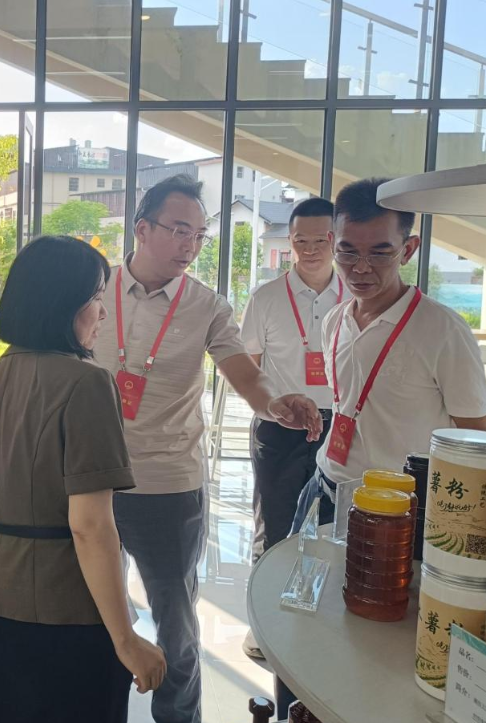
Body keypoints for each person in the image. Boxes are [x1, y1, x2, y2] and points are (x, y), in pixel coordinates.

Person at [93, 175, 322, 723]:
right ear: (141, 229)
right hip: (90, 480)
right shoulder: (94, 291)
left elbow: (245, 374)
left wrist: (274, 403)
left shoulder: (207, 306)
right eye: (179, 231)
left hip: (168, 485)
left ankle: (179, 717)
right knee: (93, 613)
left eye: (199, 235)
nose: (190, 246)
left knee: (175, 621)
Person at [0, 236, 167, 723]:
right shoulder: (87, 383)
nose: (102, 313)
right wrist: (125, 639)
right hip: (65, 612)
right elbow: (89, 526)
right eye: (96, 299)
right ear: (62, 305)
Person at [291, 178, 486, 531]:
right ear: (332, 243)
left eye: (380, 253)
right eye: (347, 251)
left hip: (396, 511)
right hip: (324, 488)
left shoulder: (443, 330)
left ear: (408, 249)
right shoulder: (336, 320)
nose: (361, 267)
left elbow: (476, 440)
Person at [240, 199, 349, 558]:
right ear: (290, 240)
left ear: (337, 239)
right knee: (274, 525)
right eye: (301, 240)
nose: (310, 249)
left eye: (321, 240)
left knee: (332, 529)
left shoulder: (355, 298)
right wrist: (272, 406)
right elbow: (249, 366)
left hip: (340, 427)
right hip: (280, 423)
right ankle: (265, 585)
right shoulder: (265, 297)